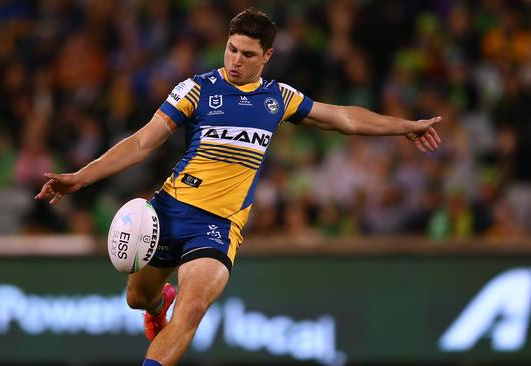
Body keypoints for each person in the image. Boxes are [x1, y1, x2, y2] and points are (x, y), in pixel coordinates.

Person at [35, 8, 441, 366]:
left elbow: (346, 119)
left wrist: (404, 127)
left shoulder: (278, 98)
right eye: (231, 49)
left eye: (247, 54)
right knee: (138, 298)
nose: (235, 61)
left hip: (218, 226)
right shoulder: (197, 89)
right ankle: (158, 305)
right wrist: (79, 178)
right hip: (169, 211)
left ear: (267, 56)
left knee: (192, 309)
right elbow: (142, 142)